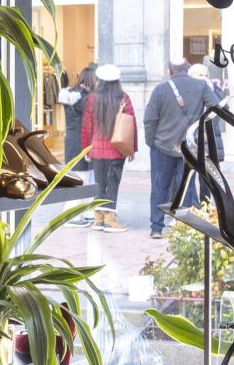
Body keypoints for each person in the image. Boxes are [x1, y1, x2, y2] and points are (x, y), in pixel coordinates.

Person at [143, 59, 220, 239]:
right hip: (189, 146)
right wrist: (202, 130)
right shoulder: (201, 87)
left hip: (162, 146)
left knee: (159, 187)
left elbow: (149, 119)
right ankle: (184, 228)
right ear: (187, 69)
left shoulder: (160, 90)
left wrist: (151, 142)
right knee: (187, 188)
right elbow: (217, 109)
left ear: (170, 72)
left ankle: (156, 227)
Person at [80, 63, 136, 231]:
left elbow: (86, 127)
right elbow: (131, 124)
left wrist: (85, 148)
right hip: (117, 149)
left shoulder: (92, 99)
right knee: (113, 183)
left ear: (100, 80)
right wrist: (132, 148)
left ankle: (98, 219)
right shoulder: (123, 98)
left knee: (99, 183)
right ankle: (110, 219)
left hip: (96, 149)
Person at [60, 63, 97, 165]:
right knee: (87, 176)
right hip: (85, 141)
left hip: (71, 138)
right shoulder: (87, 98)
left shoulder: (68, 94)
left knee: (73, 171)